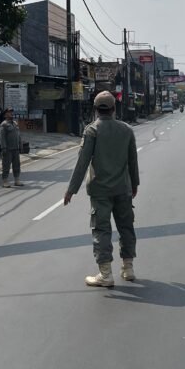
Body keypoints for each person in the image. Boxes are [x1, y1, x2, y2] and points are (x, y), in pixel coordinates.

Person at [64, 90, 140, 288]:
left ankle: (106, 274)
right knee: (126, 227)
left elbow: (82, 163)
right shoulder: (127, 130)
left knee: (101, 230)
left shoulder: (92, 131)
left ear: (96, 110)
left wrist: (71, 189)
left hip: (100, 191)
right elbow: (133, 161)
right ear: (114, 109)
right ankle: (128, 268)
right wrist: (135, 185)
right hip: (123, 188)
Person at [0, 107, 23, 187]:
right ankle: (5, 181)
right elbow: (2, 138)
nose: (11, 113)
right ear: (5, 114)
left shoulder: (15, 123)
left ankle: (17, 180)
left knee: (17, 165)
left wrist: (21, 144)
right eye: (9, 112)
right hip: (8, 149)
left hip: (16, 148)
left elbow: (18, 135)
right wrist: (4, 148)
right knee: (6, 165)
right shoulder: (4, 125)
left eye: (12, 112)